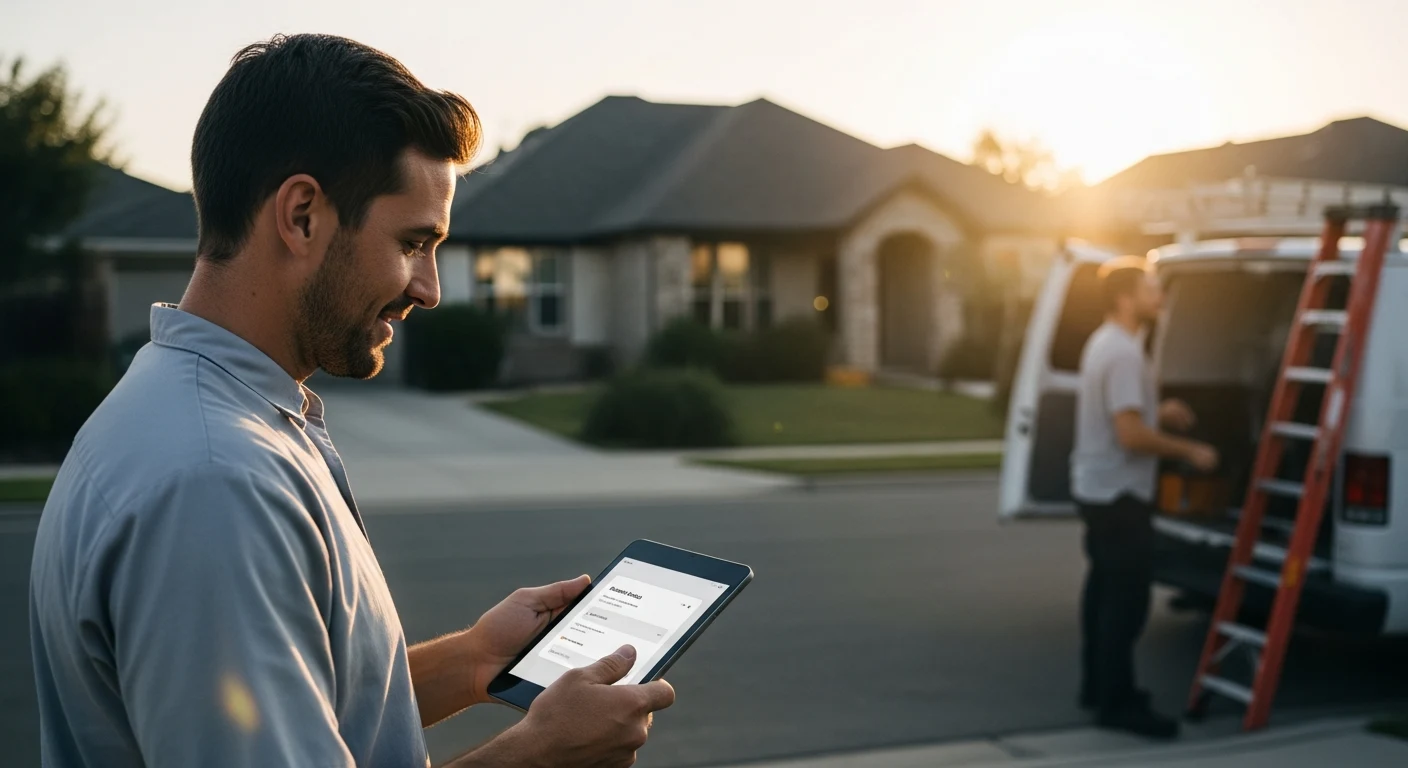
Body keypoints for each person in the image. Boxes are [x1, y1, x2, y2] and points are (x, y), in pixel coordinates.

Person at [29, 34, 673, 768]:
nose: (428, 288)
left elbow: (310, 706)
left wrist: (471, 660)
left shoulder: (197, 414)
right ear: (302, 215)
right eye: (413, 243)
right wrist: (542, 753)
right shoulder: (215, 483)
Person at [1071, 256, 1219, 739]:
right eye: (1151, 288)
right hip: (1121, 495)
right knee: (1126, 603)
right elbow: (1130, 434)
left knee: (1101, 593)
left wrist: (1161, 408)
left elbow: (1131, 411)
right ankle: (1118, 704)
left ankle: (1097, 686)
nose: (1159, 295)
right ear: (1124, 298)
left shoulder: (1108, 344)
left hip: (1096, 491)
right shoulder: (1123, 354)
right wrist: (1190, 450)